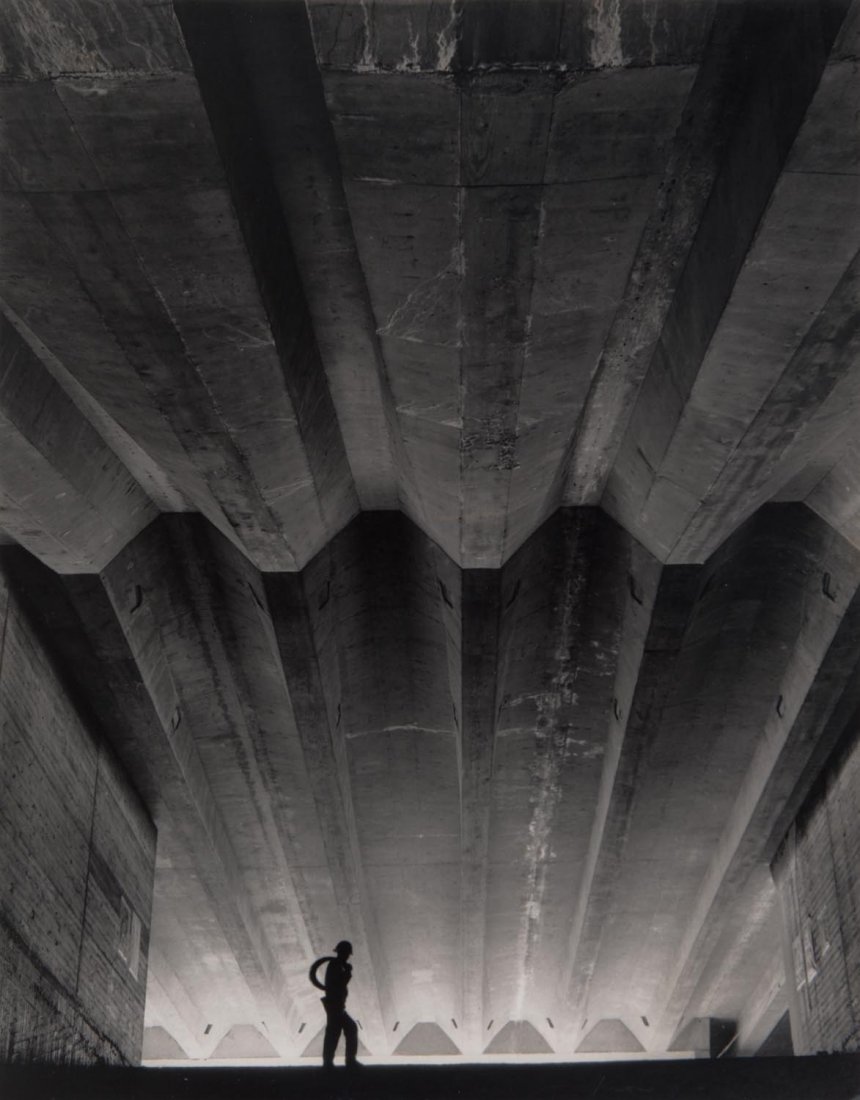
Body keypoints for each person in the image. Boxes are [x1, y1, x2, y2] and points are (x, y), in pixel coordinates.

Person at [309, 940, 361, 1069]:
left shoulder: (336, 965)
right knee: (342, 1030)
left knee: (335, 1032)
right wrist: (348, 972)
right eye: (347, 953)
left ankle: (332, 1063)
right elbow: (339, 983)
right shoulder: (335, 965)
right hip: (335, 1005)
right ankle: (346, 1062)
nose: (348, 956)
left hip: (336, 1004)